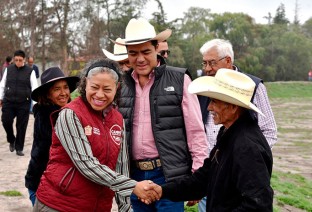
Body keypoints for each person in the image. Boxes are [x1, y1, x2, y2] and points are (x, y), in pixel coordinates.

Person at [33, 58, 160, 212]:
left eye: (107, 89)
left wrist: (125, 207)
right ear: (85, 83)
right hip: (59, 205)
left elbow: (121, 165)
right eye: (94, 87)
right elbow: (86, 164)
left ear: (117, 88)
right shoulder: (70, 114)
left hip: (98, 206)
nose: (99, 95)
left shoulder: (117, 118)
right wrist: (133, 186)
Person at [115, 18, 208, 211]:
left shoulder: (180, 79)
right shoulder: (120, 85)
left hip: (170, 176)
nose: (139, 59)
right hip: (135, 178)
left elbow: (196, 132)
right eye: (133, 53)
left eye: (145, 52)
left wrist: (198, 178)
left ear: (156, 48)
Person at [150, 68, 274, 212]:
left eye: (214, 102)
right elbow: (203, 179)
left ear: (233, 107)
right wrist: (162, 191)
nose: (209, 107)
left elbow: (258, 204)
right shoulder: (229, 134)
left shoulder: (247, 146)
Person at [197, 38, 277, 211]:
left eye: (212, 63)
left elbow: (269, 131)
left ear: (228, 61)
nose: (207, 69)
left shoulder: (252, 86)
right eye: (204, 63)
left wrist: (241, 159)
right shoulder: (207, 86)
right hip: (213, 171)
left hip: (238, 176)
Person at [24, 67, 80, 206]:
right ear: (48, 94)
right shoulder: (46, 115)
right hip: (41, 183)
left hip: (60, 183)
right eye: (56, 89)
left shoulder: (67, 111)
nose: (63, 93)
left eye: (65, 88)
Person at [0, 50, 38, 156]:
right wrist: (1, 98)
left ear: (24, 60)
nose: (18, 62)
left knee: (21, 126)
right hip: (9, 101)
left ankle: (19, 147)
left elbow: (34, 88)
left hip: (23, 102)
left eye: (20, 60)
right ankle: (11, 139)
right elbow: (2, 84)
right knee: (5, 121)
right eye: (16, 60)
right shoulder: (8, 69)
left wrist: (35, 104)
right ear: (13, 59)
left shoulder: (30, 71)